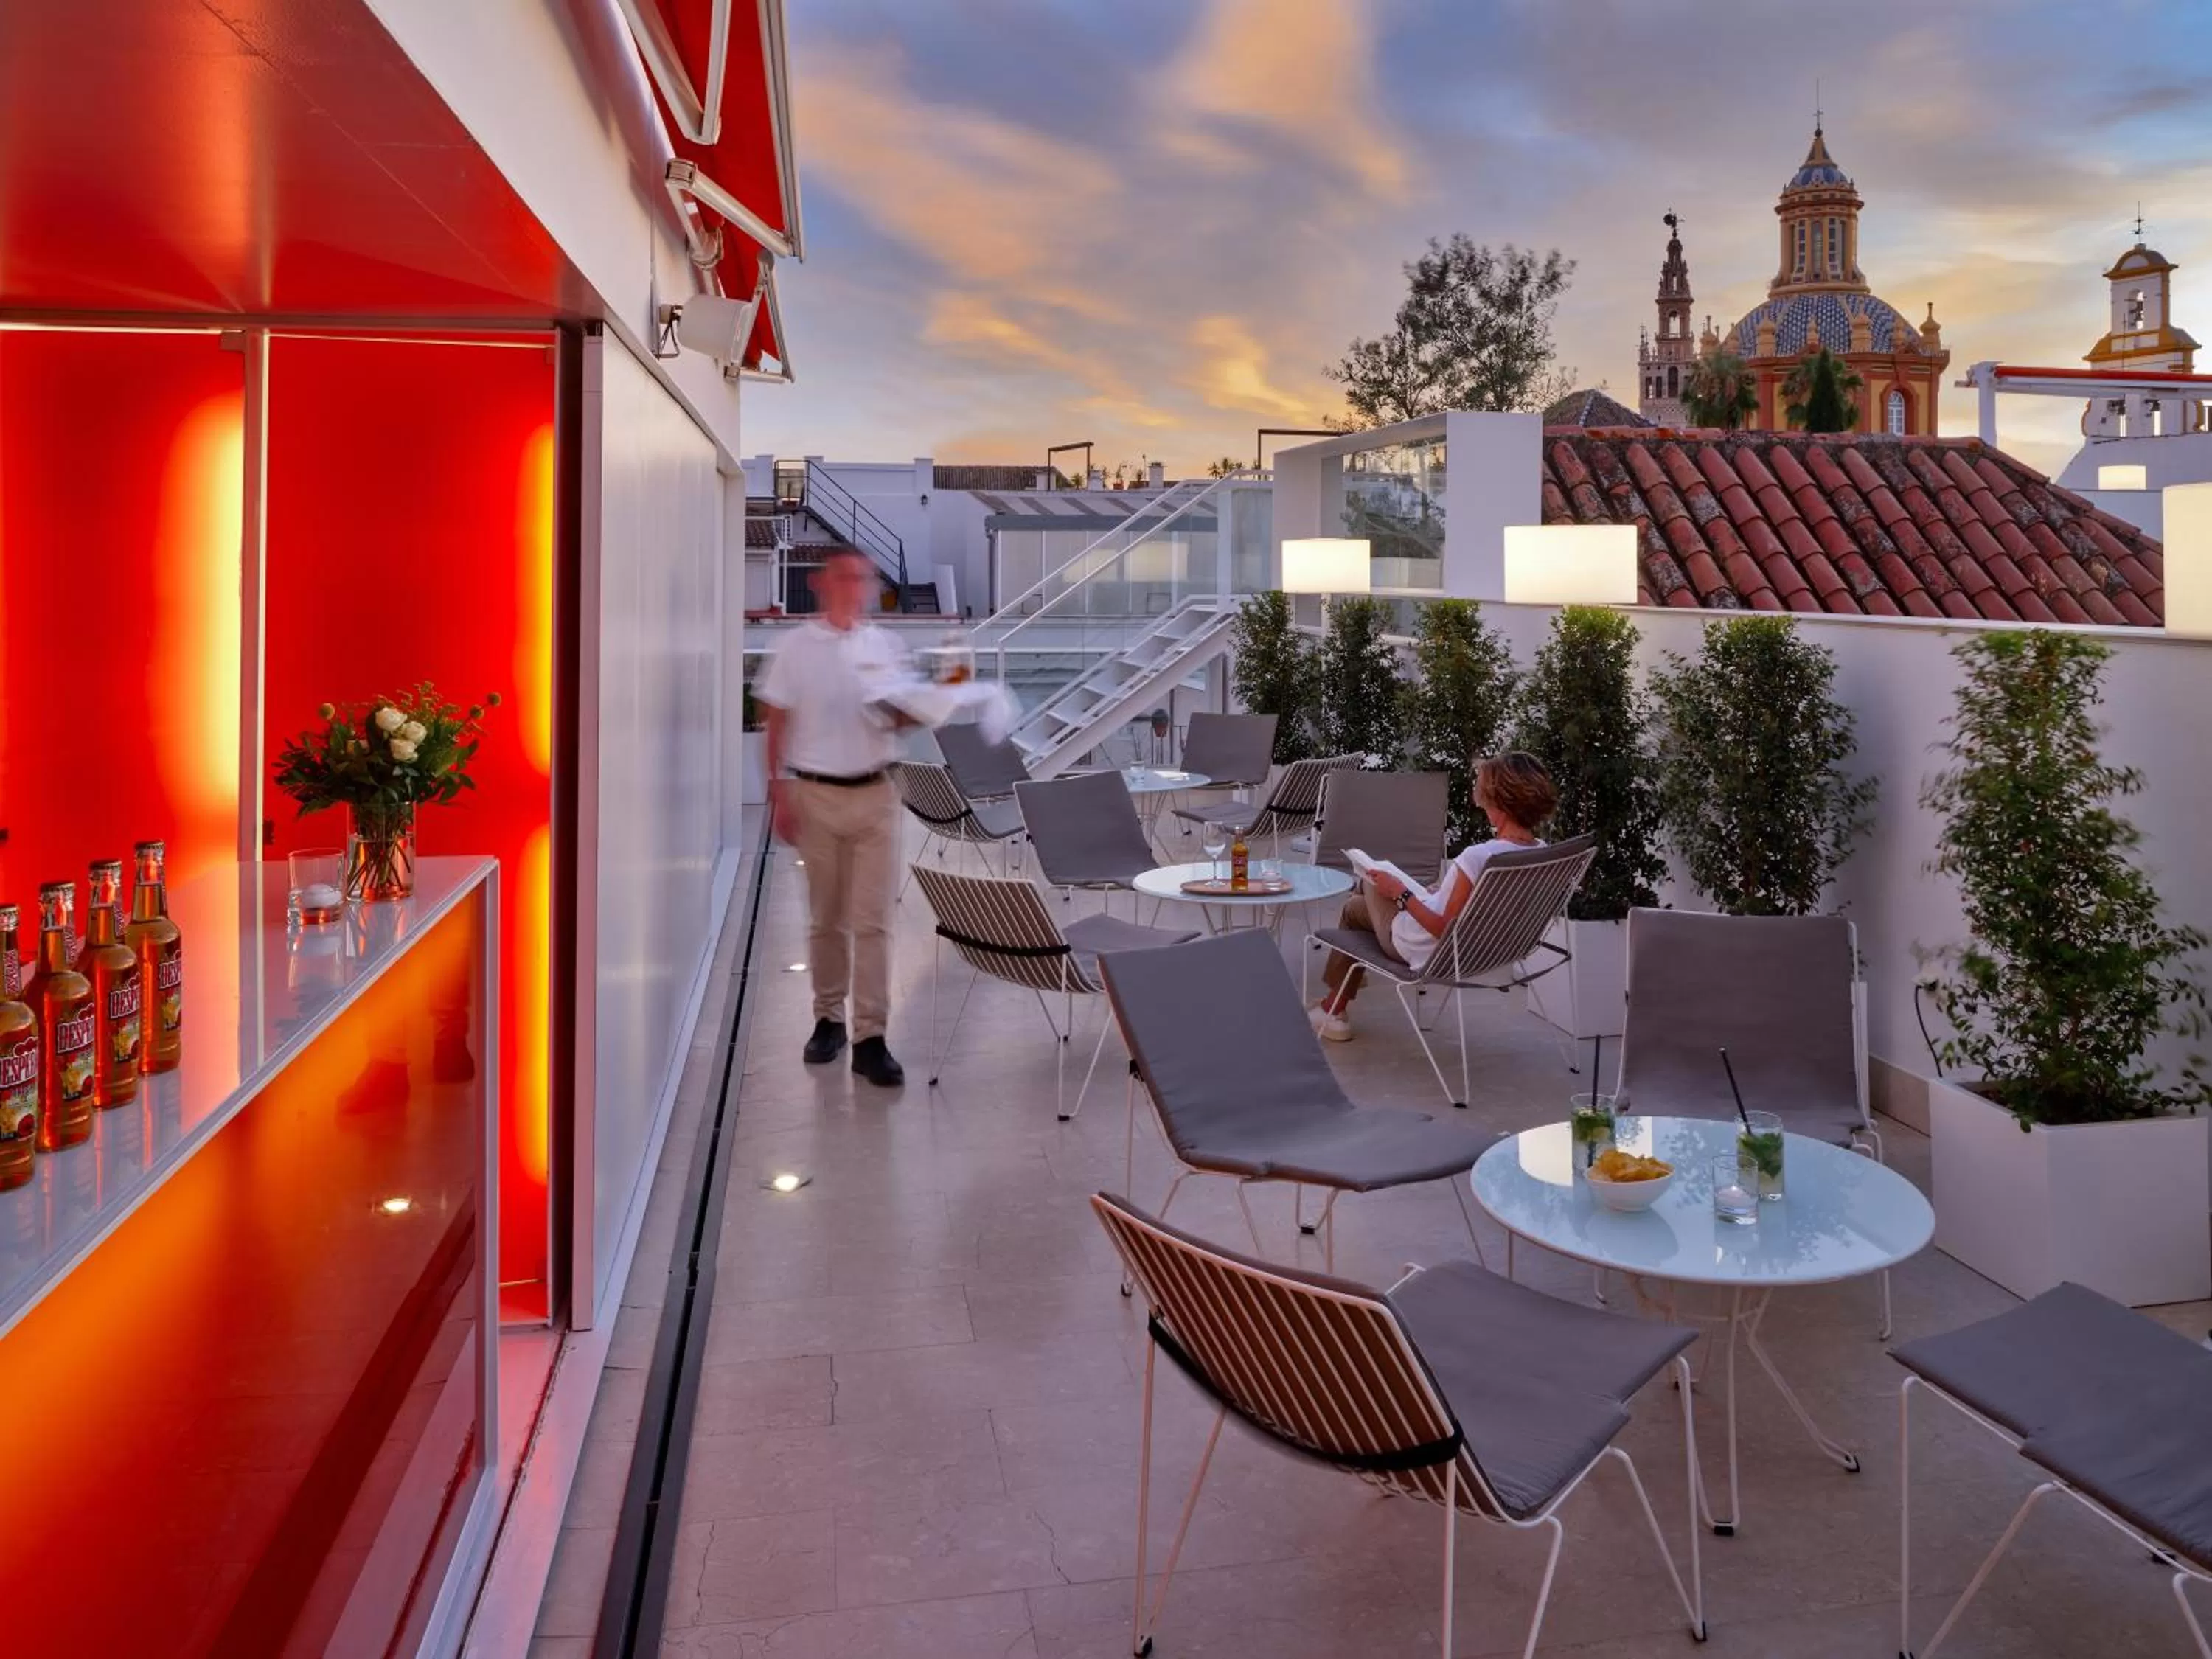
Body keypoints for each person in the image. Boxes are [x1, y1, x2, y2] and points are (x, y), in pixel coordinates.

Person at [757, 549, 910, 1086]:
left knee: (873, 924)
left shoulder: (885, 646)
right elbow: (776, 721)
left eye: (862, 578)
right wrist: (778, 792)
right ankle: (829, 1020)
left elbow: (900, 715)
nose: (855, 585)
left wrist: (927, 706)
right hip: (816, 795)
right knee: (826, 920)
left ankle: (872, 1037)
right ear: (823, 583)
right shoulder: (795, 646)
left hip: (876, 794)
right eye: (845, 576)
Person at [1312, 751, 1557, 1042]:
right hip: (1486, 949)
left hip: (1422, 947)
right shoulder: (1540, 852)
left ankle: (1335, 1006)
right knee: (1356, 908)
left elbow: (1443, 929)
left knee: (1367, 883)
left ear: (1500, 802)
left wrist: (1400, 893)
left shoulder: (1478, 858)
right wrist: (1441, 894)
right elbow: (1487, 909)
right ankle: (1340, 996)